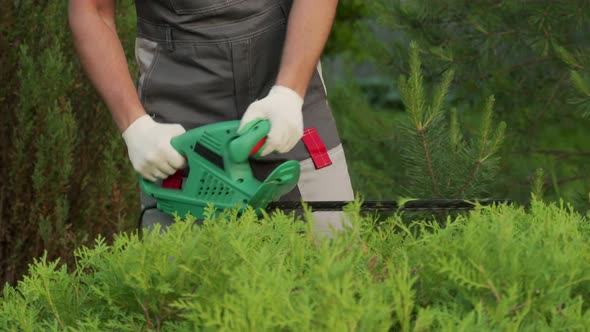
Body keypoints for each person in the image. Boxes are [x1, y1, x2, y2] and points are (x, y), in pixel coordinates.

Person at [68, 0, 354, 236]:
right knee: (184, 291)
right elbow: (91, 10)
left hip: (290, 113)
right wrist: (134, 124)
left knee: (333, 270)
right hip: (181, 135)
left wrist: (289, 92)